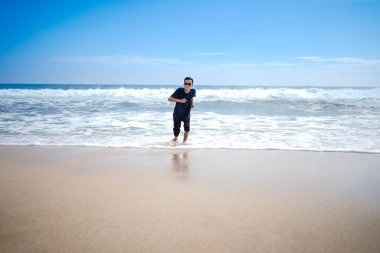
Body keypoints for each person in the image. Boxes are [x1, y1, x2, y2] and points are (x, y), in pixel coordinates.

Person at [168, 77, 196, 144]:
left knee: (187, 128)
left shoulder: (193, 91)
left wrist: (192, 103)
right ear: (183, 84)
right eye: (186, 83)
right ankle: (175, 138)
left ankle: (184, 142)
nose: (187, 85)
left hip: (186, 113)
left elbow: (191, 96)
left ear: (192, 85)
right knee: (176, 130)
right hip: (177, 113)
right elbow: (169, 99)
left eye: (189, 84)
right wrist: (180, 100)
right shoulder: (179, 90)